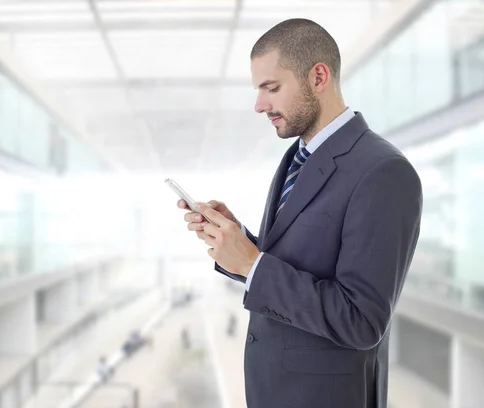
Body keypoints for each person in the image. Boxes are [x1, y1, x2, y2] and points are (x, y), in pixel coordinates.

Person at [177, 18, 422, 408]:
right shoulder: (297, 157)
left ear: (319, 77)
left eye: (271, 88)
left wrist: (254, 265)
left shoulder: (384, 172)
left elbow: (361, 320)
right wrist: (236, 243)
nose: (259, 105)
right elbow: (297, 264)